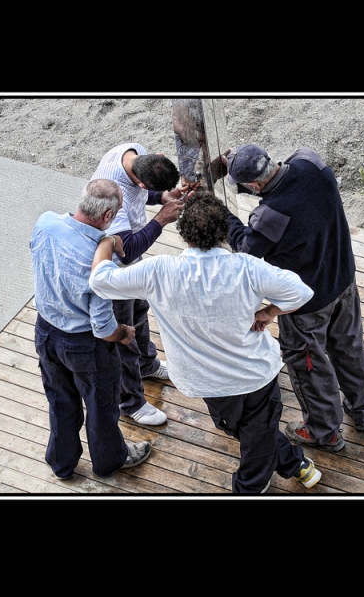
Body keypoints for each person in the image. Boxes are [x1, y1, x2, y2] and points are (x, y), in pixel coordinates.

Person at [89, 193, 322, 494]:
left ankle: (274, 475)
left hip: (205, 379)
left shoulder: (158, 271)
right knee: (255, 430)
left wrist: (106, 242)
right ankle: (271, 476)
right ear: (223, 232)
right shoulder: (247, 267)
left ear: (183, 233)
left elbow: (100, 281)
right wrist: (269, 311)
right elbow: (300, 292)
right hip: (254, 373)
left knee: (247, 429)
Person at [222, 144, 364, 453]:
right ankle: (362, 411)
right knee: (349, 345)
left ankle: (324, 432)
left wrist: (224, 217)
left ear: (253, 186)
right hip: (343, 280)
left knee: (308, 365)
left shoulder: (270, 215)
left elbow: (245, 249)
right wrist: (237, 161)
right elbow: (289, 172)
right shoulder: (312, 165)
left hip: (305, 303)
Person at [30, 178, 151, 479]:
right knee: (101, 406)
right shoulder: (99, 261)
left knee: (59, 399)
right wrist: (124, 333)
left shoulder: (45, 223)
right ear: (108, 217)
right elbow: (102, 327)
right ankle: (110, 460)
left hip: (46, 331)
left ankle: (61, 462)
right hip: (85, 345)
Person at [90, 143, 198, 426]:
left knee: (140, 310)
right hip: (114, 272)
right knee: (124, 335)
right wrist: (162, 219)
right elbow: (129, 249)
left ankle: (147, 364)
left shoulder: (132, 151)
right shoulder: (113, 195)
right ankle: (131, 402)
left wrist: (162, 196)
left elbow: (145, 192)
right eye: (143, 187)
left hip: (130, 269)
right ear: (137, 181)